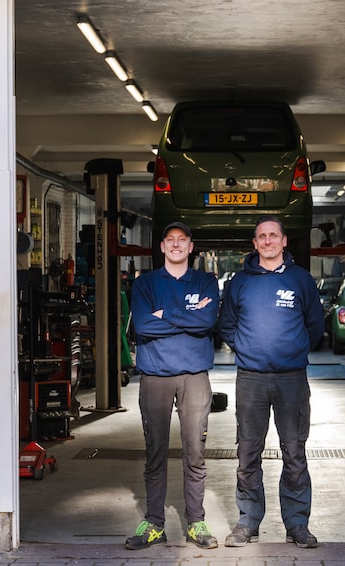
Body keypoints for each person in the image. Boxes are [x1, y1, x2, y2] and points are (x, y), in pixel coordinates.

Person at [216, 216, 325, 549]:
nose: (267, 241)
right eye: (261, 236)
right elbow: (226, 325)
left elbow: (315, 325)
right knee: (248, 451)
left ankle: (297, 524)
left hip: (292, 379)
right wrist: (249, 348)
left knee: (294, 452)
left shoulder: (301, 280)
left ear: (284, 241)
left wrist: (291, 350)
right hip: (251, 379)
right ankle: (248, 521)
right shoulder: (239, 282)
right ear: (254, 243)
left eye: (272, 235)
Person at [124, 222, 221, 550]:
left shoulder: (206, 280)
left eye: (183, 240)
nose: (177, 245)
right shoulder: (146, 284)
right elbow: (143, 325)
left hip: (195, 377)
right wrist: (188, 314)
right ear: (162, 247)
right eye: (171, 241)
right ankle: (154, 523)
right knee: (155, 453)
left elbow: (207, 321)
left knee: (195, 452)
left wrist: (166, 314)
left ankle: (196, 522)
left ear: (191, 247)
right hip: (155, 377)